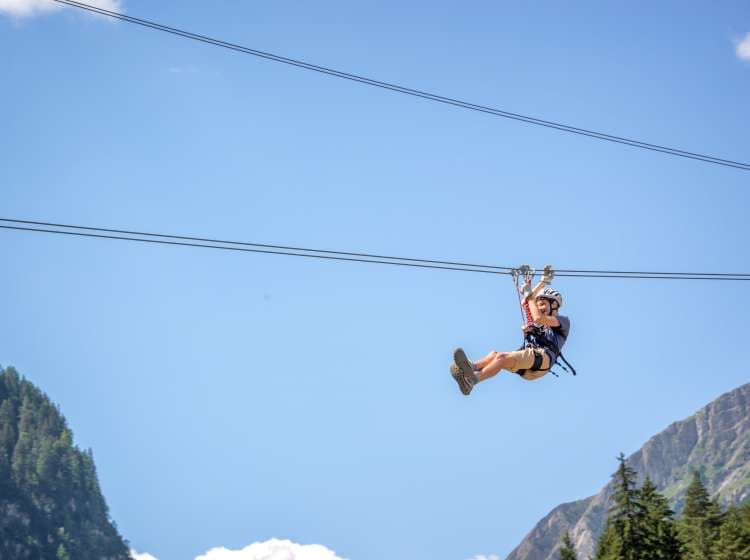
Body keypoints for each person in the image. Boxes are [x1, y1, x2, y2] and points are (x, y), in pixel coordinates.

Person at [450, 278, 570, 395]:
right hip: (531, 365)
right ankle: (470, 368)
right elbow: (526, 303)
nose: (540, 308)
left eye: (543, 304)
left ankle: (472, 379)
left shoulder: (563, 321)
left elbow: (537, 317)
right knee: (495, 355)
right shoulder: (540, 324)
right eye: (538, 306)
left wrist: (530, 292)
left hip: (543, 359)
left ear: (554, 304)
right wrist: (542, 283)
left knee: (501, 358)